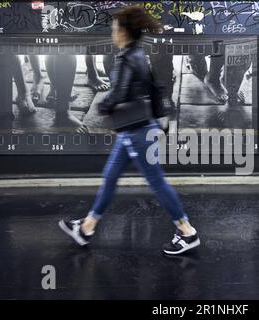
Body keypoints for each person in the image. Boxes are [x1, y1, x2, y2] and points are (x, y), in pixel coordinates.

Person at [58, 5, 200, 255]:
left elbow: (118, 94)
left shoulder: (127, 58)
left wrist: (104, 106)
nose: (112, 30)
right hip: (133, 130)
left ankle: (187, 231)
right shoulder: (137, 53)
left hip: (138, 133)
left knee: (156, 182)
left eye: (115, 27)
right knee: (110, 176)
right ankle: (87, 228)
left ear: (124, 31)